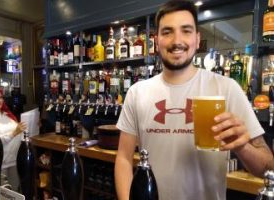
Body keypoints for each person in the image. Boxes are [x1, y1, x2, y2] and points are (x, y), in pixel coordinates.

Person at [114, 1, 274, 200]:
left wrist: (242, 147)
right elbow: (123, 158)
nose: (176, 40)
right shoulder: (137, 92)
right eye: (167, 32)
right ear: (157, 41)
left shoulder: (226, 88)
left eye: (186, 31)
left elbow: (267, 167)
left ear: (197, 39)